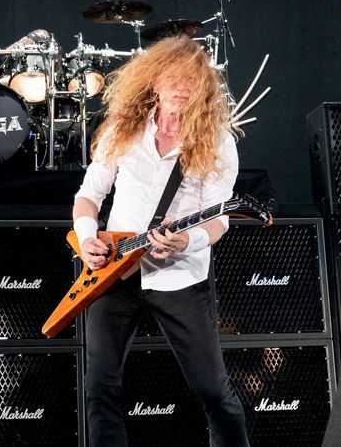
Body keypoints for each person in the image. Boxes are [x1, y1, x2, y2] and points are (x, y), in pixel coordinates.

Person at [73, 37, 248, 446]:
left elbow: (219, 222)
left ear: (204, 85)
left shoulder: (219, 141)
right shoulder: (123, 128)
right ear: (155, 79)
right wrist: (86, 239)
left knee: (212, 390)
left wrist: (183, 241)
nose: (182, 85)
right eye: (173, 75)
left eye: (192, 78)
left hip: (179, 278)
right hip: (114, 272)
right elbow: (88, 196)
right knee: (100, 386)